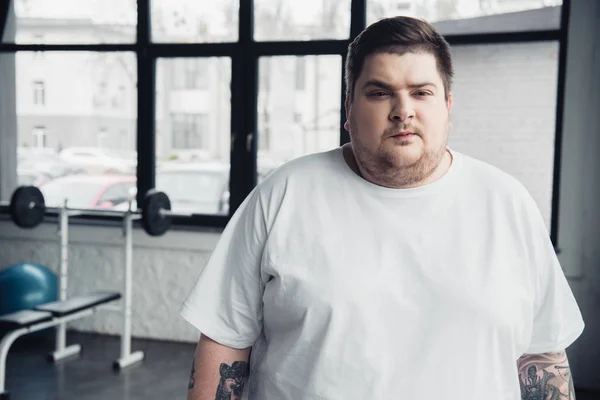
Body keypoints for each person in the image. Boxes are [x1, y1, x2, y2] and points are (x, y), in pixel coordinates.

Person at [180, 16, 585, 400]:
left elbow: (542, 355)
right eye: (379, 92)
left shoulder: (507, 203)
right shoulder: (283, 195)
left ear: (447, 106)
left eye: (421, 92)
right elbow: (226, 343)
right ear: (349, 109)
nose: (402, 110)